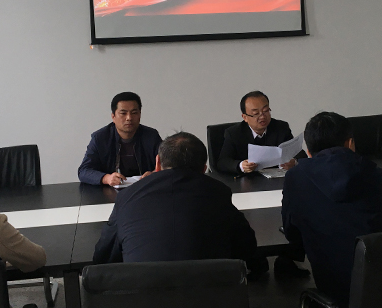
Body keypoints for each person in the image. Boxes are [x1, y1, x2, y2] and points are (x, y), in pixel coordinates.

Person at [92, 132, 259, 267]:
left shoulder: (127, 196)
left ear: (157, 163)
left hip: (143, 294)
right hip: (208, 293)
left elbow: (104, 256)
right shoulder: (219, 193)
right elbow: (247, 248)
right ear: (203, 169)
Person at [281, 112, 382, 308]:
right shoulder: (376, 174)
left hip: (329, 285)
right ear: (350, 143)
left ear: (308, 151)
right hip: (381, 282)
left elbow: (291, 231)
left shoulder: (295, 178)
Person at [78, 92, 162, 186]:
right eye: (123, 113)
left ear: (140, 115)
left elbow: (168, 164)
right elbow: (84, 171)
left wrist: (154, 174)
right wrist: (106, 178)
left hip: (143, 189)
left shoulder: (151, 136)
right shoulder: (100, 138)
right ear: (113, 117)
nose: (129, 118)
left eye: (134, 113)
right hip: (111, 191)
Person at [217, 90, 306, 175]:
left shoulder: (281, 127)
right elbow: (223, 162)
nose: (262, 116)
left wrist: (293, 162)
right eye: (256, 113)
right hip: (248, 180)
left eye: (266, 110)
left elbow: (299, 153)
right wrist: (241, 166)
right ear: (245, 117)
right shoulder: (234, 133)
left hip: (276, 179)